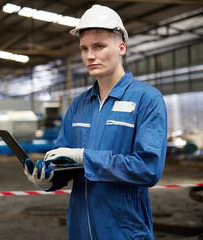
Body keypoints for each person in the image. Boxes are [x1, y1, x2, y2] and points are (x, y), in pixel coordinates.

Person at [23, 4, 167, 240]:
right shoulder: (79, 105)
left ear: (121, 47)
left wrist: (85, 157)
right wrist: (47, 179)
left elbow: (148, 169)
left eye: (99, 46)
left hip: (123, 230)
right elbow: (63, 162)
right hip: (80, 229)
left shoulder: (147, 99)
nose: (90, 56)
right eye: (84, 48)